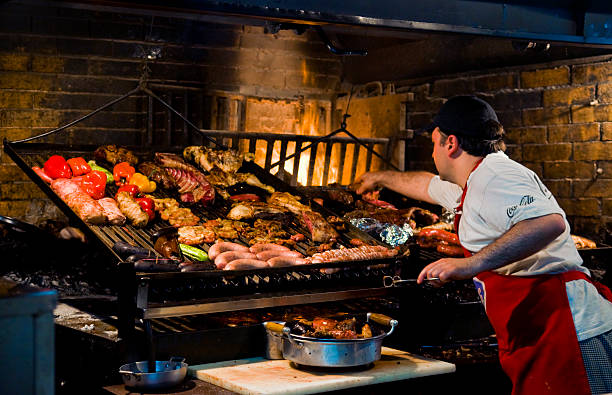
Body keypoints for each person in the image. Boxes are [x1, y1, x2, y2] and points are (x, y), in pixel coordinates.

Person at [355, 95, 612, 395]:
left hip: (573, 333)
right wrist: (379, 178)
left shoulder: (497, 175)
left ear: (450, 144)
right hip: (543, 333)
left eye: (433, 142)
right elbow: (426, 185)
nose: (431, 151)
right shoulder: (476, 182)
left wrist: (469, 265)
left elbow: (549, 222)